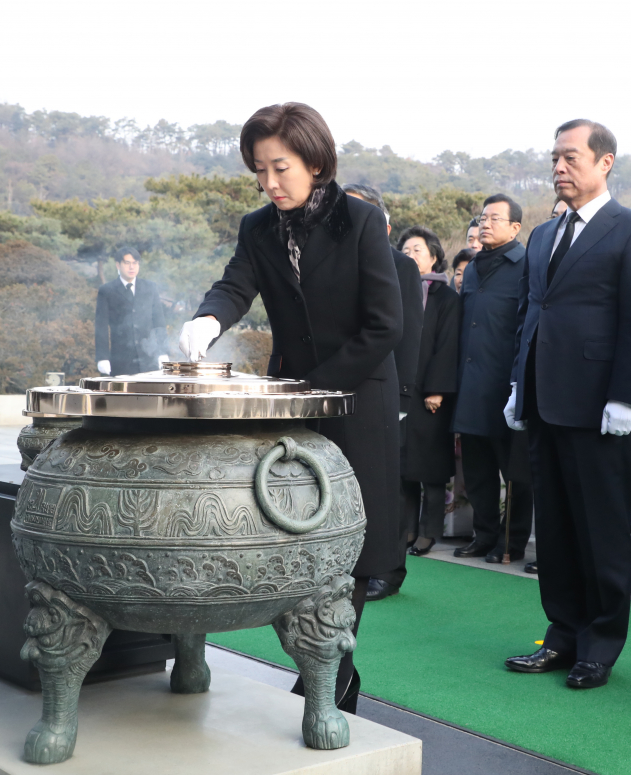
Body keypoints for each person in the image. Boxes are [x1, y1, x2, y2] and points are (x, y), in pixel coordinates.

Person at [177, 102, 403, 713]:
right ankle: (322, 660)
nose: (269, 183)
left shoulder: (360, 221)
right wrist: (208, 318)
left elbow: (385, 326)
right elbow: (235, 285)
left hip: (357, 397)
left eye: (280, 168)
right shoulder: (258, 227)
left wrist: (316, 387)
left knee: (350, 538)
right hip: (295, 401)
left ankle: (336, 667)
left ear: (315, 160)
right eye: (259, 170)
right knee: (297, 528)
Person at [504, 119, 631, 690]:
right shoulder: (545, 235)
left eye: (571, 157)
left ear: (605, 163)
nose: (559, 167)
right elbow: (532, 313)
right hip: (546, 401)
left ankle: (600, 644)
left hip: (600, 409)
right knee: (556, 527)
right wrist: (519, 386)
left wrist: (626, 399)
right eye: (554, 158)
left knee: (600, 529)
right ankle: (562, 634)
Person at [340, 184, 425, 604]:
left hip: (386, 391)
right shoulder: (335, 262)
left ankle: (390, 569)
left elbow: (407, 336)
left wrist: (405, 399)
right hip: (344, 393)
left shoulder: (400, 264)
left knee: (386, 485)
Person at [452, 194, 535, 566]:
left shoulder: (526, 265)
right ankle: (483, 535)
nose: (485, 223)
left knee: (514, 472)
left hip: (505, 385)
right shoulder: (471, 267)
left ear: (515, 227)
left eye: (495, 218)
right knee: (478, 470)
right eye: (483, 217)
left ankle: (511, 541)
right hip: (470, 383)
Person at [396, 226, 460, 557]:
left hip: (430, 396)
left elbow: (448, 346)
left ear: (434, 257)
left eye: (417, 250)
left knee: (430, 467)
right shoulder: (396, 291)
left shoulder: (446, 297)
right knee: (403, 466)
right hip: (401, 391)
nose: (409, 255)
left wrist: (436, 390)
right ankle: (406, 529)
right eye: (405, 250)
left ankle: (429, 531)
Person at [94, 248, 168, 376]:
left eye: (135, 263)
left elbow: (159, 322)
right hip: (120, 361)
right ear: (118, 265)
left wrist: (163, 352)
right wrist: (102, 357)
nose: (131, 267)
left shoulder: (150, 287)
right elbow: (101, 326)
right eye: (127, 263)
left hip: (149, 359)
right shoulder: (107, 290)